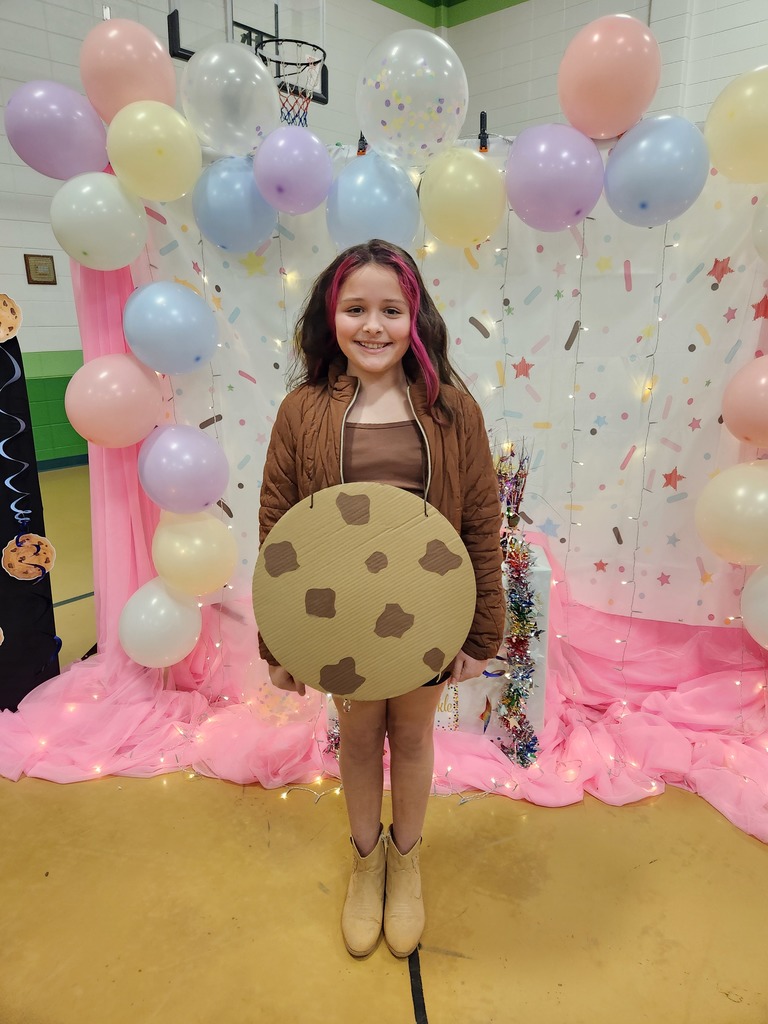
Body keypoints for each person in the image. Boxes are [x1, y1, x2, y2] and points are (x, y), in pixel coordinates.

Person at [257, 239, 504, 959]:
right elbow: (278, 525)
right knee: (360, 739)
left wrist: (480, 631)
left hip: (428, 615)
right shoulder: (302, 410)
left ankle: (408, 859)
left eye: (390, 310)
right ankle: (366, 867)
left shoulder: (453, 411)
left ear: (415, 317)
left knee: (416, 737)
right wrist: (280, 640)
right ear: (329, 316)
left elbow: (482, 522)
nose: (373, 325)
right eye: (355, 308)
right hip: (341, 621)